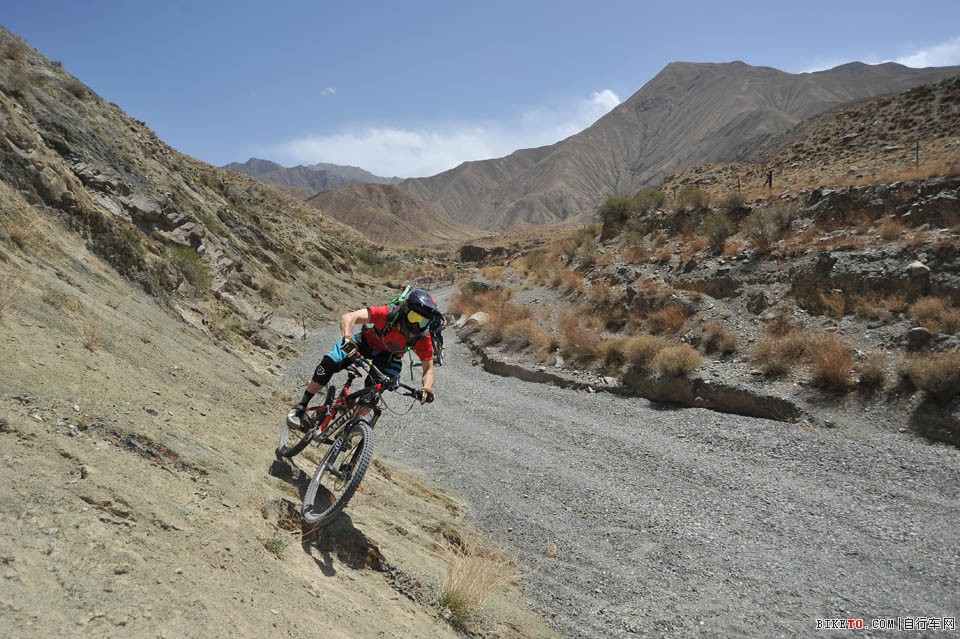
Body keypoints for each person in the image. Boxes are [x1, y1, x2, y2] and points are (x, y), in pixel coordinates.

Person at [287, 288, 441, 429]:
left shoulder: (423, 337)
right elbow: (349, 317)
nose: (416, 324)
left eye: (423, 321)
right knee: (330, 362)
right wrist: (347, 338)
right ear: (405, 310)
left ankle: (351, 428)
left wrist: (427, 388)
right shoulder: (388, 314)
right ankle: (301, 406)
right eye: (414, 316)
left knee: (374, 394)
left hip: (389, 357)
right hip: (364, 343)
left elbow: (428, 368)